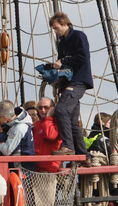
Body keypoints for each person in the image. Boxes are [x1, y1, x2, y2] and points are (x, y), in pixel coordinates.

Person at [49, 12, 93, 167]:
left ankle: (68, 146)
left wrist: (63, 61)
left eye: (56, 28)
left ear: (64, 24)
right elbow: (65, 63)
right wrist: (56, 76)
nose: (55, 31)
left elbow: (83, 57)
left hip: (79, 81)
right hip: (67, 81)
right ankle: (84, 155)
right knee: (73, 122)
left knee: (61, 110)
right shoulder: (61, 42)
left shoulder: (78, 36)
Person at [0, 100, 35, 170]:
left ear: (5, 118)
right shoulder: (14, 125)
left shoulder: (19, 128)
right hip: (18, 167)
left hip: (22, 169)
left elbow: (7, 151)